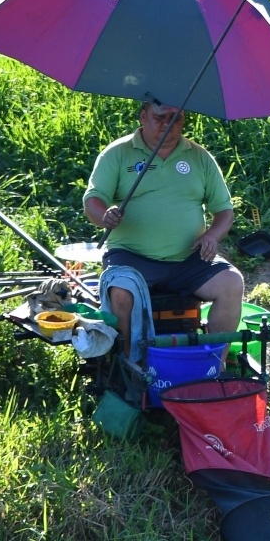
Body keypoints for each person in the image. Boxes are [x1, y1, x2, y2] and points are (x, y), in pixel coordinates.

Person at [83, 97, 243, 355]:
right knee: (121, 293)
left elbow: (224, 210)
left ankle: (215, 362)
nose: (168, 125)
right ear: (143, 116)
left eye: (175, 119)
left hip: (189, 259)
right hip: (131, 256)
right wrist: (104, 216)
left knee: (232, 282)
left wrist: (213, 235)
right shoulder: (118, 153)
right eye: (160, 118)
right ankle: (127, 363)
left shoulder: (199, 157)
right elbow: (93, 200)